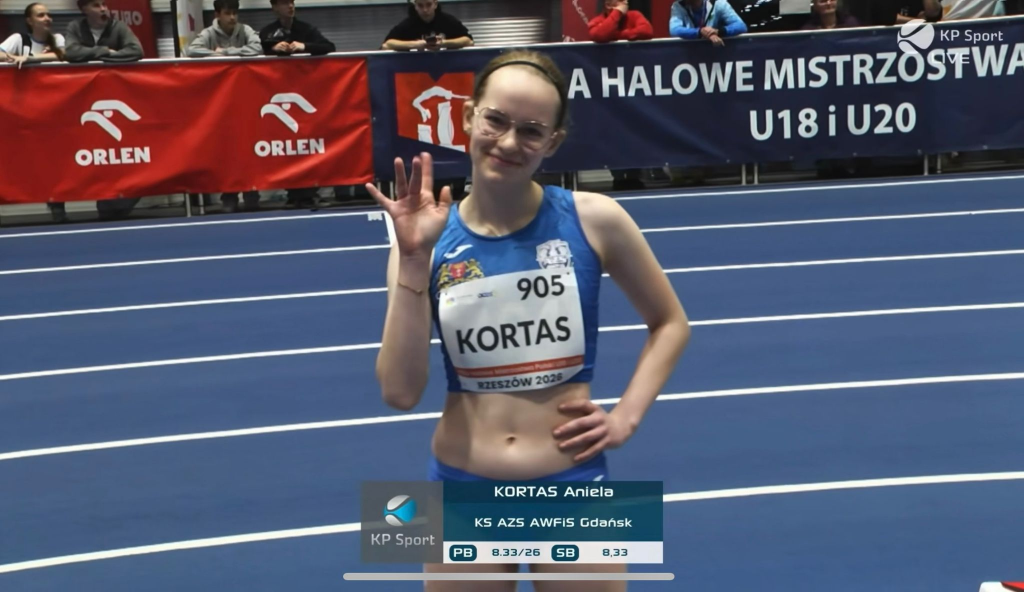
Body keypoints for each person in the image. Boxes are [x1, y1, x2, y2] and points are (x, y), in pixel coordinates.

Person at [367, 50, 691, 591]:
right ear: (467, 116)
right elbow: (399, 393)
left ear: (553, 142)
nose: (509, 142)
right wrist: (416, 261)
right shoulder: (419, 241)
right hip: (460, 488)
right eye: (495, 120)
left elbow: (671, 323)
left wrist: (626, 418)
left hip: (573, 485)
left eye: (532, 131)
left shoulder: (596, 219)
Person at [64, 0, 144, 63]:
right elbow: (70, 52)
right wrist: (104, 51)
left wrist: (102, 56)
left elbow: (136, 51)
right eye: (96, 6)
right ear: (85, 10)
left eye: (104, 4)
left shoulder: (119, 26)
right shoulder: (75, 27)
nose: (103, 9)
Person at [382, 0, 473, 51]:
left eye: (429, 5)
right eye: (420, 5)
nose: (425, 10)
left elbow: (468, 41)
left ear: (435, 4)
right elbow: (387, 44)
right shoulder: (408, 24)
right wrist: (416, 44)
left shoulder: (448, 21)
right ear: (415, 6)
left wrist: (443, 43)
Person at [669, 0, 747, 47]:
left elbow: (741, 26)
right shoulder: (678, 6)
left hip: (716, 53)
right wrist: (700, 32)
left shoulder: (718, 3)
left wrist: (718, 32)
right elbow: (674, 30)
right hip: (690, 54)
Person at [588, 0, 655, 43]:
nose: (626, 2)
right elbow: (599, 35)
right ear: (608, 5)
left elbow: (647, 31)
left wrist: (617, 35)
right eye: (621, 0)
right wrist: (617, 12)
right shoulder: (596, 21)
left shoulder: (635, 15)